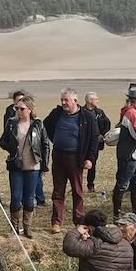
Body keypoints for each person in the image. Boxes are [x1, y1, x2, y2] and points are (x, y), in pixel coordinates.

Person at [44, 89, 99, 232]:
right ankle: (56, 222)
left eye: (66, 100)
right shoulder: (56, 113)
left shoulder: (87, 117)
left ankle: (79, 221)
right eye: (62, 99)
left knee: (77, 190)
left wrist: (90, 158)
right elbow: (46, 126)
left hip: (76, 158)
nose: (63, 103)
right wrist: (55, 139)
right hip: (58, 155)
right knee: (58, 190)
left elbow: (94, 139)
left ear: (75, 101)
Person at [2, 93, 49, 237]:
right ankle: (14, 228)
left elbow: (45, 144)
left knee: (29, 198)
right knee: (16, 197)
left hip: (33, 166)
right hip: (16, 166)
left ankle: (27, 227)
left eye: (22, 109)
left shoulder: (38, 124)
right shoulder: (11, 123)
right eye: (17, 108)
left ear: (29, 109)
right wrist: (11, 147)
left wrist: (45, 165)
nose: (18, 111)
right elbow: (2, 142)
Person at [112, 85, 136, 220]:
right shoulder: (133, 113)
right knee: (123, 185)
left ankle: (133, 211)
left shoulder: (134, 112)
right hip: (130, 156)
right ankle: (117, 215)